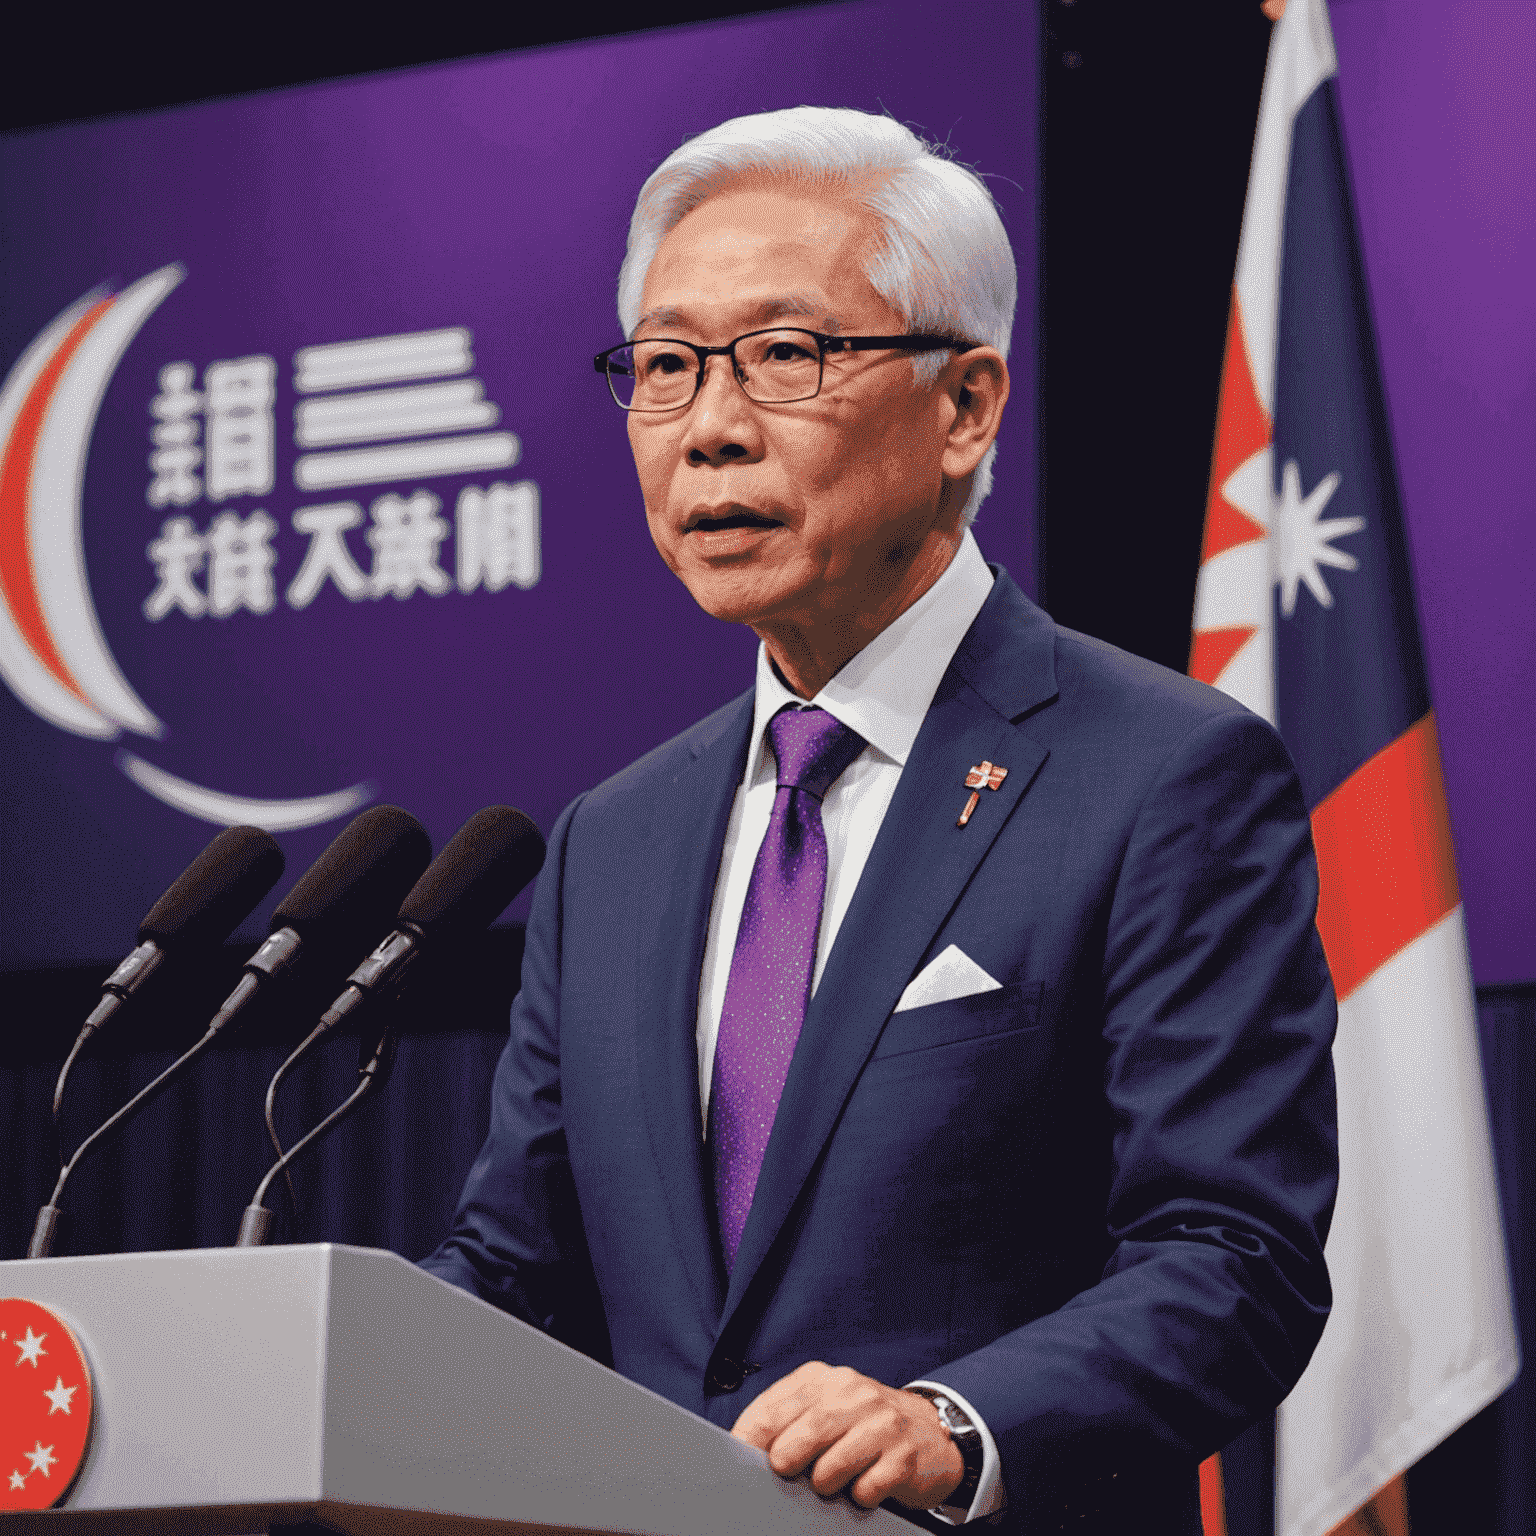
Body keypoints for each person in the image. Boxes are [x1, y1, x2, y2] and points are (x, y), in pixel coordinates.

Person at [422, 106, 1337, 1534]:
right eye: (665, 368)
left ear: (965, 404)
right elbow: (519, 1272)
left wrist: (956, 1426)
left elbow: (1231, 1252)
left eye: (786, 357)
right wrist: (305, 1367)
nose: (710, 430)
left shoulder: (1165, 775)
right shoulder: (617, 836)